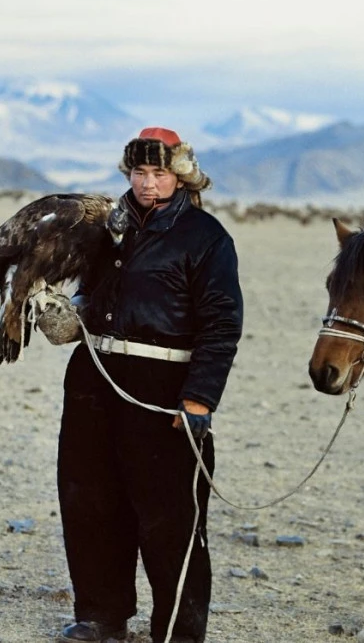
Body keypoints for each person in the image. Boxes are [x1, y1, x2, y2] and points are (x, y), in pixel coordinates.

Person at [40, 127, 243, 643]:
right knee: (89, 499)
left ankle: (176, 631)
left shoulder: (206, 237)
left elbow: (221, 323)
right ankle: (101, 617)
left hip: (164, 385)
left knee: (169, 517)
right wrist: (71, 316)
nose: (148, 183)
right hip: (94, 377)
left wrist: (199, 398)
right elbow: (91, 293)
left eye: (159, 173)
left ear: (179, 175)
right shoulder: (104, 229)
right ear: (127, 173)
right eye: (140, 172)